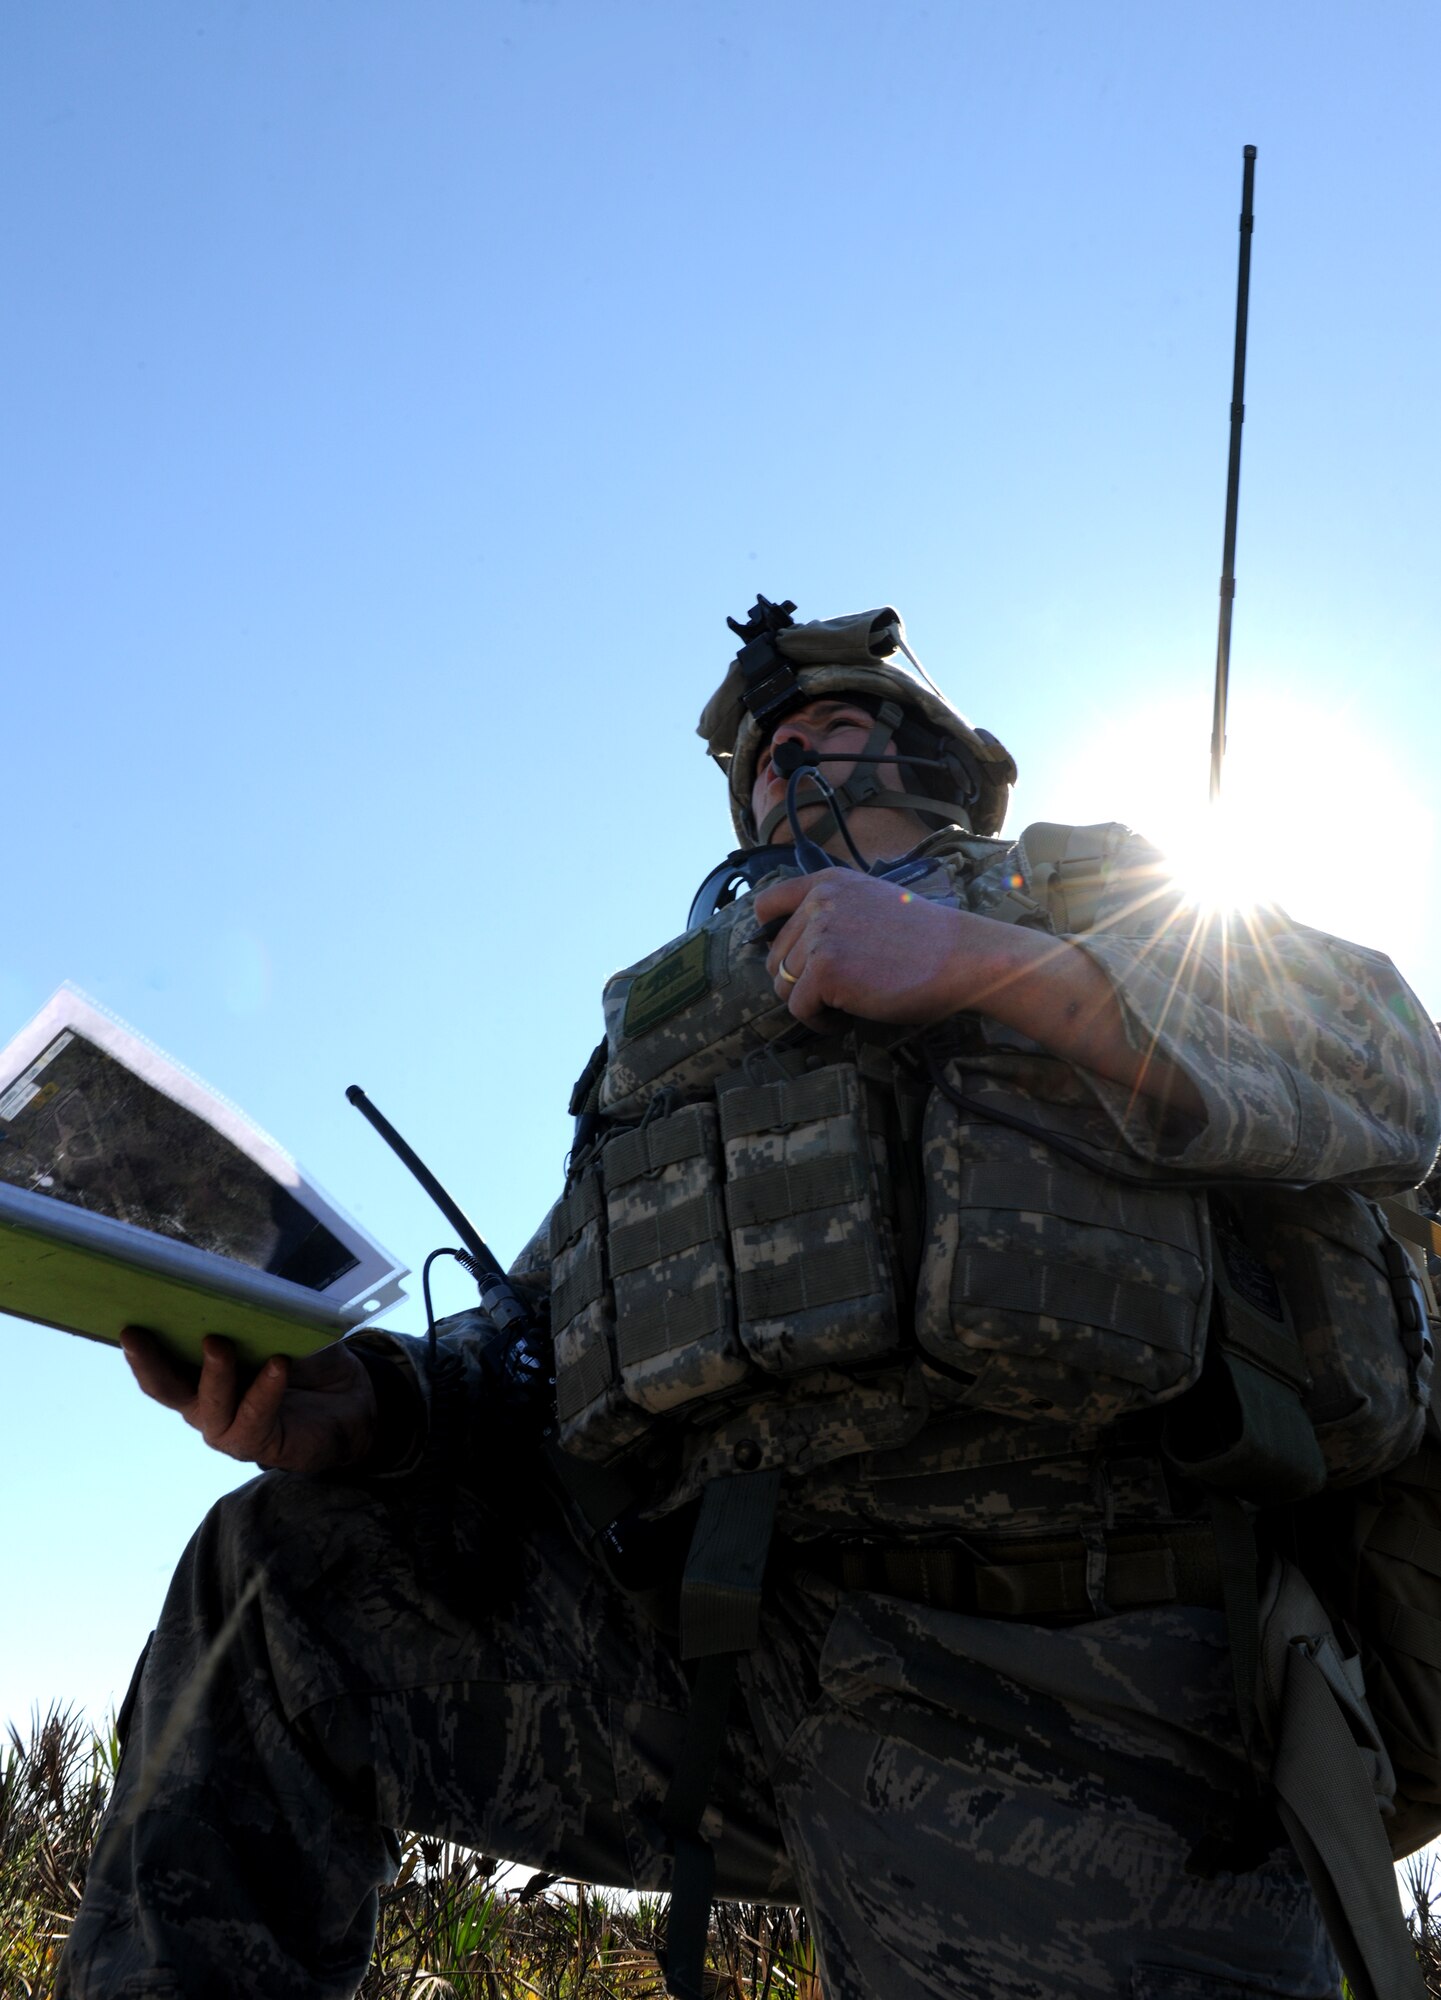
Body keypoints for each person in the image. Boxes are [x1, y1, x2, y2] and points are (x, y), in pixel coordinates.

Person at [60, 601, 1441, 2000]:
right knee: (284, 1581)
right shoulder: (679, 1036)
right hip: (725, 1652)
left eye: (828, 730)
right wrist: (378, 1405)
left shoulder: (1100, 898)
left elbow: (1393, 1065)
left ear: (934, 764)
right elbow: (549, 1324)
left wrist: (997, 970)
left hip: (1081, 1683)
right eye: (768, 754)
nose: (787, 762)